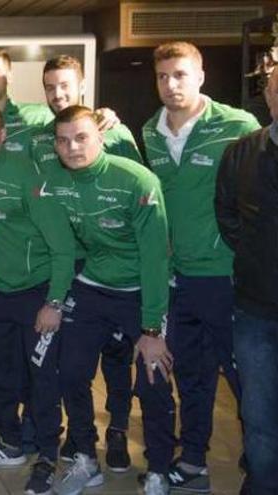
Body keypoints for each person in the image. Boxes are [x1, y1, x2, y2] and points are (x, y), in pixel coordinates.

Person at [141, 41, 260, 493]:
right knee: (190, 376)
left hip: (227, 277)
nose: (171, 85)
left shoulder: (237, 125)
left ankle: (262, 462)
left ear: (201, 76)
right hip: (177, 280)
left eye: (180, 75)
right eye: (163, 76)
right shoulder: (149, 132)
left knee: (248, 378)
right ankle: (193, 462)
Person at [46, 106, 175, 495]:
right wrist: (54, 300)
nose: (72, 147)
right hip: (93, 286)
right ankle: (86, 457)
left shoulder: (137, 180)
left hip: (141, 290)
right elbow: (63, 247)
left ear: (100, 137)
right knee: (69, 371)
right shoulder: (54, 181)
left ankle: (159, 471)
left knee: (153, 379)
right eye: (64, 140)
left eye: (81, 137)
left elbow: (156, 258)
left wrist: (152, 328)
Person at [29, 55, 141, 471]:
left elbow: (141, 195)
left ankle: (117, 432)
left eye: (64, 85)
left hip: (111, 269)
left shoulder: (114, 131)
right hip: (62, 263)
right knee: (70, 362)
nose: (57, 94)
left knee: (116, 355)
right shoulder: (41, 137)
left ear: (82, 83)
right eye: (49, 87)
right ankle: (80, 437)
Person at [0, 101, 75, 495]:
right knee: (0, 373)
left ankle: (46, 456)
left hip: (36, 294)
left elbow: (63, 248)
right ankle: (9, 442)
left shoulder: (29, 177)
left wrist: (55, 302)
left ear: (4, 135)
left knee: (42, 379)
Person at [215, 66, 278, 495]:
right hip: (257, 308)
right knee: (258, 415)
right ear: (269, 97)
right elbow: (227, 214)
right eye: (277, 91)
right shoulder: (241, 152)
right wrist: (258, 256)